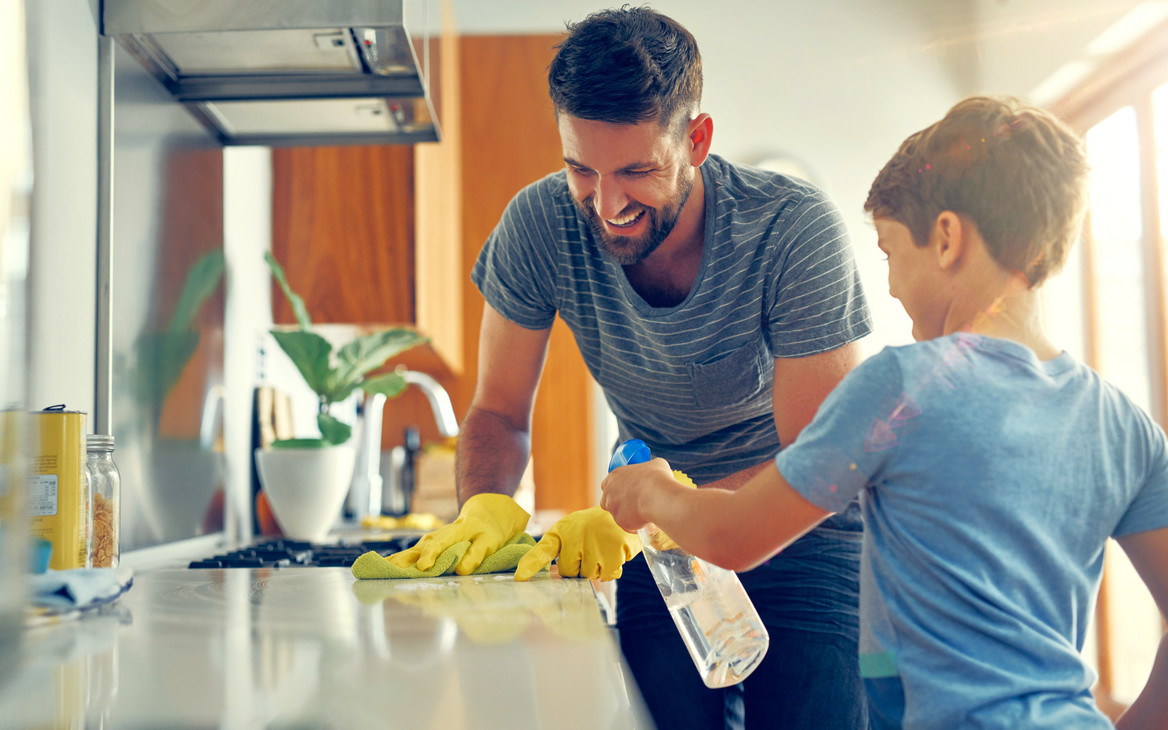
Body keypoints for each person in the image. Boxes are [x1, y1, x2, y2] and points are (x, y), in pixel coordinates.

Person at [601, 94, 1168, 729]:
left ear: (947, 238)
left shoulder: (902, 388)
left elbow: (737, 537)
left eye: (892, 252)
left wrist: (651, 492)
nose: (892, 285)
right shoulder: (1125, 425)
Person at [386, 6, 872, 729]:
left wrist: (670, 502)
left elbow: (815, 464)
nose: (606, 205)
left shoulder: (792, 230)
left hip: (797, 541)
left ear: (696, 140)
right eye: (581, 168)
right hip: (657, 547)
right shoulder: (541, 223)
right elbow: (496, 411)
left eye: (637, 171)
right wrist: (486, 502)